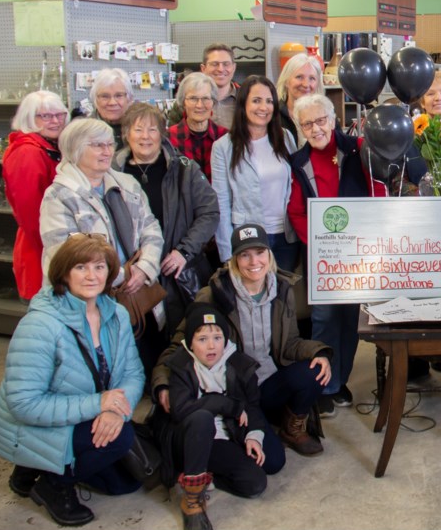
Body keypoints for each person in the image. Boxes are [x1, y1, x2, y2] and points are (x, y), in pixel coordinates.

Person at [0, 234, 144, 527]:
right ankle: (51, 484)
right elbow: (24, 404)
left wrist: (115, 410)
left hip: (82, 411)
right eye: (81, 267)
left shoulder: (116, 314)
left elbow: (133, 373)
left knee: (125, 484)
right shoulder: (40, 324)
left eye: (99, 267)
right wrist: (98, 403)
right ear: (63, 273)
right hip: (29, 424)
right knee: (120, 438)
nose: (91, 276)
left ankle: (30, 469)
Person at [153, 223, 332, 460]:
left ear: (269, 255)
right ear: (234, 260)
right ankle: (233, 434)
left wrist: (318, 352)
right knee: (273, 461)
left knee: (314, 370)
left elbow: (290, 343)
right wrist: (163, 383)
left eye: (259, 253)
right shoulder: (214, 294)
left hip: (268, 382)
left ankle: (291, 426)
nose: (253, 261)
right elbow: (179, 345)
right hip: (234, 390)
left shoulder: (281, 289)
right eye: (244, 255)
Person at [40, 117, 165, 377]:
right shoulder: (59, 197)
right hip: (90, 301)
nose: (107, 151)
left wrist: (144, 269)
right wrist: (122, 276)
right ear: (75, 149)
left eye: (109, 144)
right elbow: (64, 257)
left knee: (139, 364)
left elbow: (151, 229)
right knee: (101, 367)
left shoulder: (125, 184)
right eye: (97, 145)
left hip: (137, 295)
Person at [287, 94, 386, 415]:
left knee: (349, 318)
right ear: (300, 127)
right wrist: (316, 244)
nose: (315, 129)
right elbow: (297, 211)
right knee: (324, 318)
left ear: (333, 119)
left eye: (320, 121)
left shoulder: (357, 148)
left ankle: (340, 379)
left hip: (358, 253)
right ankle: (324, 386)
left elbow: (377, 189)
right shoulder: (297, 161)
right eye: (307, 124)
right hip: (322, 256)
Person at [161, 303, 273, 530]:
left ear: (226, 340)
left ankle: (207, 475)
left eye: (217, 337)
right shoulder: (181, 365)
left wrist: (254, 436)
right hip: (190, 439)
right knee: (201, 417)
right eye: (202, 339)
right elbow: (181, 410)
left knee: (255, 484)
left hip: (223, 438)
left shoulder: (240, 365)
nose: (211, 345)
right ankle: (192, 499)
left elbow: (252, 406)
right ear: (190, 342)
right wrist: (226, 405)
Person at [114, 103, 220, 337]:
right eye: (138, 130)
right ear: (126, 134)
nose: (145, 137)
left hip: (177, 274)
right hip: (130, 279)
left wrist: (184, 251)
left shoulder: (184, 169)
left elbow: (210, 212)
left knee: (178, 341)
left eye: (152, 130)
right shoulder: (112, 172)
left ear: (162, 134)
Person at [211, 75, 299, 271]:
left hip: (286, 237)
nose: (264, 107)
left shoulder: (284, 138)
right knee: (252, 298)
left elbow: (296, 183)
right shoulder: (223, 147)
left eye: (269, 101)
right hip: (248, 240)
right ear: (243, 104)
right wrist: (227, 253)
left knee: (283, 297)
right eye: (256, 100)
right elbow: (221, 202)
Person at [2, 90, 68, 301]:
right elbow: (31, 215)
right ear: (29, 118)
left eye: (60, 114)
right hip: (41, 252)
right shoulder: (28, 152)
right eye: (46, 116)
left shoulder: (49, 146)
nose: (55, 121)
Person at [168, 71, 228, 182]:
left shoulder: (225, 137)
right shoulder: (169, 138)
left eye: (205, 98)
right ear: (183, 102)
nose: (199, 105)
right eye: (193, 98)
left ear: (213, 102)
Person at [276, 53, 324, 148]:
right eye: (299, 77)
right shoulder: (273, 115)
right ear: (286, 81)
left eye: (312, 78)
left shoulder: (326, 114)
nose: (306, 84)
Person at [90, 68, 134, 147]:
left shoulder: (142, 131)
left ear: (129, 99)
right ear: (95, 100)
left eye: (119, 96)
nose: (112, 103)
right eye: (105, 96)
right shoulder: (82, 132)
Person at [200, 43, 239, 130]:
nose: (220, 69)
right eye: (214, 64)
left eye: (226, 64)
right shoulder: (189, 101)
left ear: (234, 67)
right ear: (203, 68)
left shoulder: (247, 98)